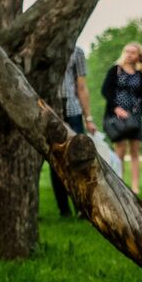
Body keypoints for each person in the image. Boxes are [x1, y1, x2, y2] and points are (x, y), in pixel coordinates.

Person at [101, 43, 142, 194]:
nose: (130, 55)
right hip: (118, 115)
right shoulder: (116, 70)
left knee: (135, 150)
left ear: (138, 55)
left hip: (135, 116)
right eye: (127, 51)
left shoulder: (139, 73)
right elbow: (105, 90)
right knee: (120, 149)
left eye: (133, 52)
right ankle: (119, 182)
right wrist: (116, 108)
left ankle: (135, 187)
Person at [51, 46, 97, 217]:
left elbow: (81, 86)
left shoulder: (77, 52)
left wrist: (88, 117)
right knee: (56, 160)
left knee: (77, 159)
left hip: (73, 111)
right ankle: (64, 209)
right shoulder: (47, 48)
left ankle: (81, 206)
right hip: (52, 110)